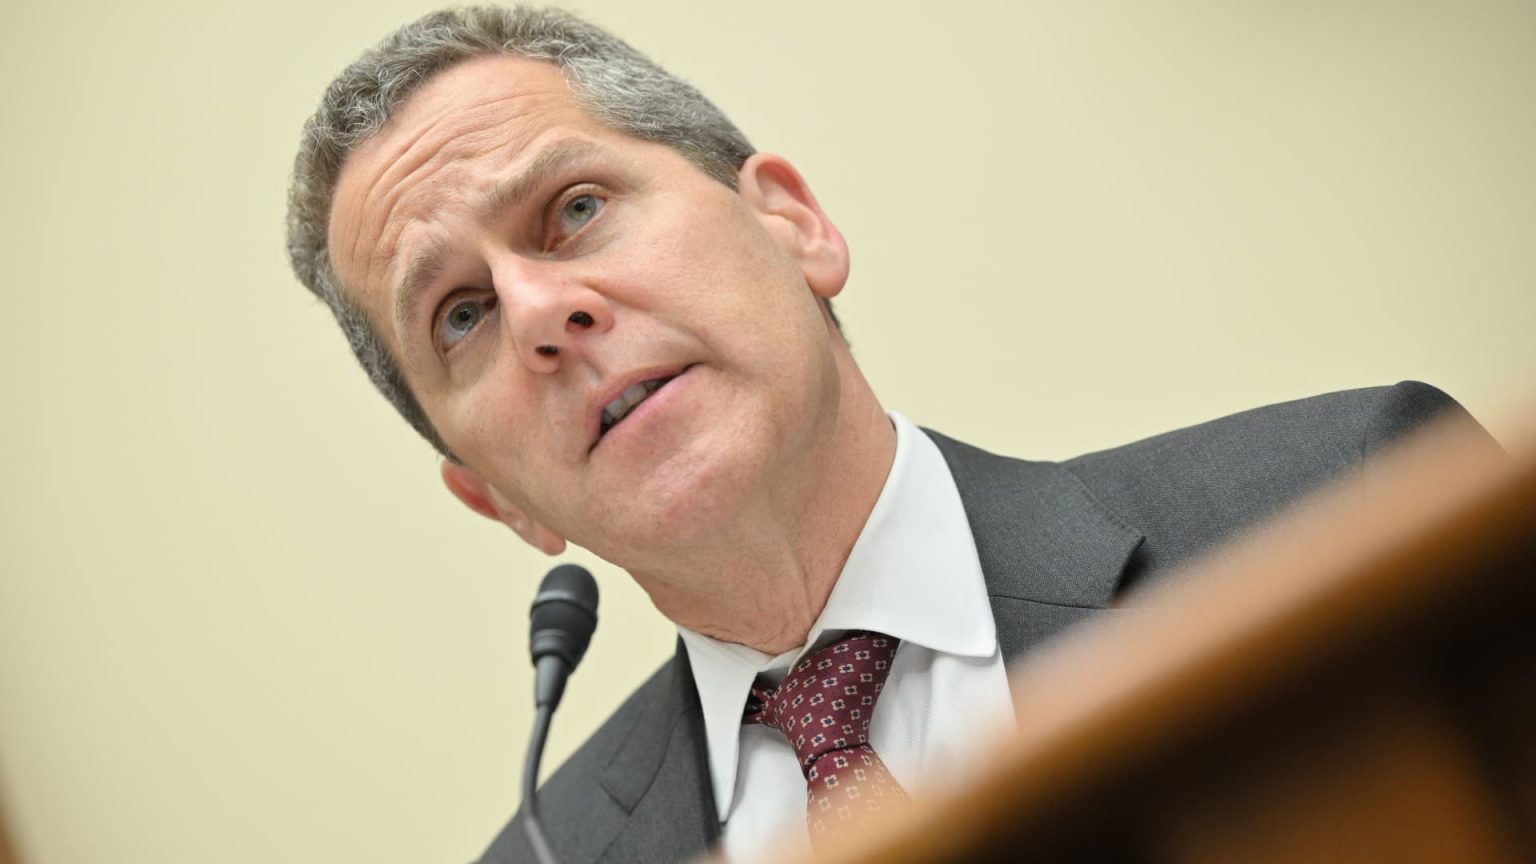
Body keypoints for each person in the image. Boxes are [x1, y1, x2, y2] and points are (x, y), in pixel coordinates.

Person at [286, 7, 1494, 863]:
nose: (542, 313)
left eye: (577, 208)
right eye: (460, 316)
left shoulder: (1344, 505)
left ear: (792, 224)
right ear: (497, 498)